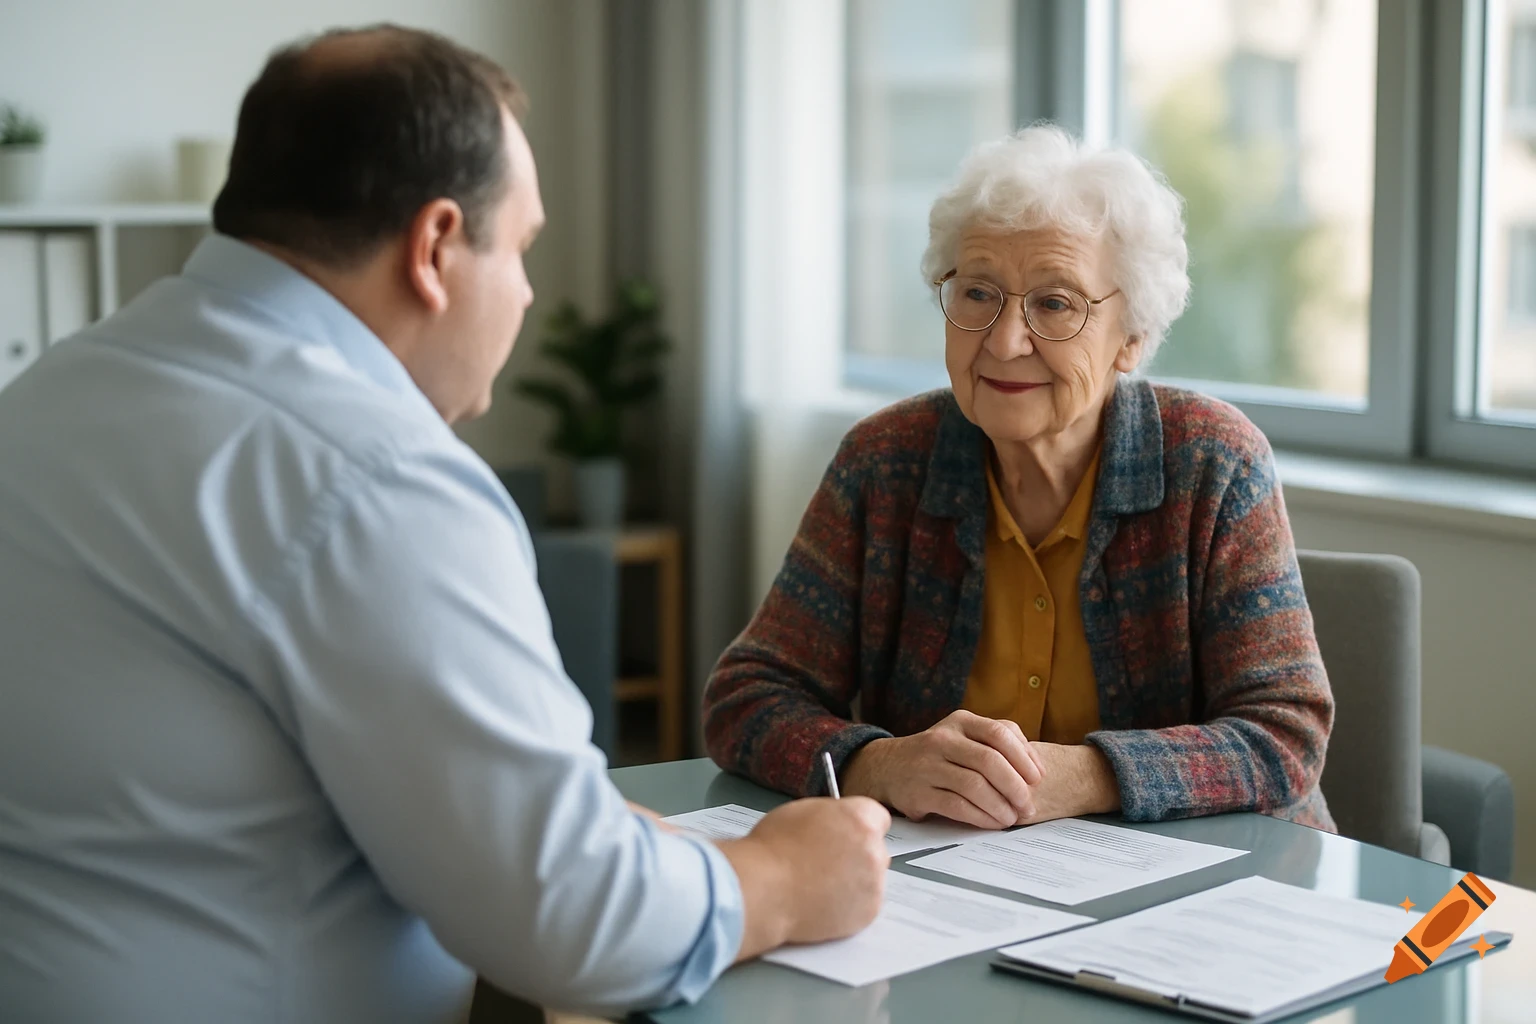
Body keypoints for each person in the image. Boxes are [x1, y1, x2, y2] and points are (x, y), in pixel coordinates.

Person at [0, 25, 890, 1022]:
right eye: (519, 248)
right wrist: (779, 877)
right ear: (432, 249)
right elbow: (573, 921)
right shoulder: (375, 477)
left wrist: (596, 834)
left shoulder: (49, 394)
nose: (528, 292)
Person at [703, 125, 1336, 835]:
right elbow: (745, 698)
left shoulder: (1214, 465)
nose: (1004, 341)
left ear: (1132, 336)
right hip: (960, 888)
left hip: (1213, 895)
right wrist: (877, 764)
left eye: (1055, 304)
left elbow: (1285, 734)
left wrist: (1087, 776)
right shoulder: (883, 465)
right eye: (978, 293)